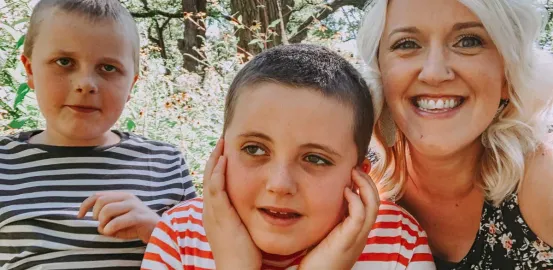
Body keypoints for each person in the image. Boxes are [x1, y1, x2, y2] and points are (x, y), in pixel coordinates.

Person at [141, 44, 435, 270]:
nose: (280, 184)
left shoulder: (398, 245)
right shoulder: (180, 236)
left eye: (316, 159)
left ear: (359, 175)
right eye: (254, 149)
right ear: (220, 154)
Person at [357, 0, 553, 268]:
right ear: (381, 76)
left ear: (507, 76)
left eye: (468, 41)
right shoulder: (350, 188)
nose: (435, 73)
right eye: (407, 44)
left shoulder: (544, 179)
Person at [0, 0, 196, 269]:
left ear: (131, 84)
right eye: (64, 62)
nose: (85, 84)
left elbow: (205, 256)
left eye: (108, 68)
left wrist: (158, 231)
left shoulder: (164, 163)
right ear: (30, 69)